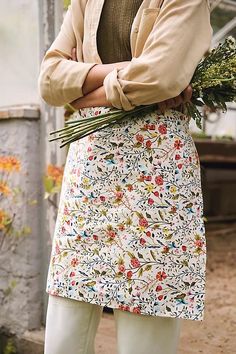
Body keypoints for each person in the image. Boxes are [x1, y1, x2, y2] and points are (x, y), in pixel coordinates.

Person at [38, 1, 213, 353]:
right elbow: (49, 80)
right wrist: (125, 74)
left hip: (156, 175)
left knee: (147, 317)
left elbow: (161, 76)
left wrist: (84, 92)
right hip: (91, 171)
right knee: (65, 331)